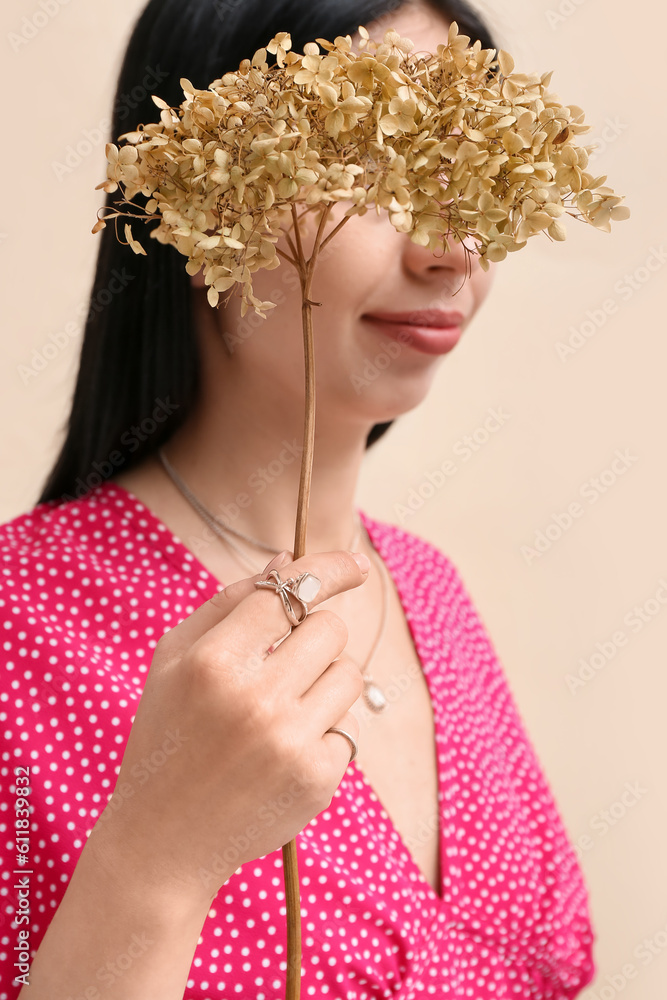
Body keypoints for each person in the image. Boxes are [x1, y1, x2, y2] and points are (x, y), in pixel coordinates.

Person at [0, 0, 596, 997]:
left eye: (475, 169)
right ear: (192, 191)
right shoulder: (21, 622)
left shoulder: (431, 593)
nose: (449, 245)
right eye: (372, 162)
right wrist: (156, 862)